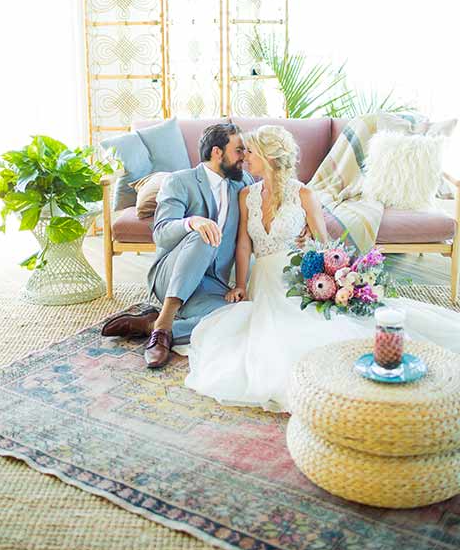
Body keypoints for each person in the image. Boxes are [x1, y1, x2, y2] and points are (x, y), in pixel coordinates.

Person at [184, 125, 460, 412]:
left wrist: (333, 279)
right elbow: (244, 244)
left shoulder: (304, 195)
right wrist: (240, 285)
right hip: (262, 281)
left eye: (250, 152)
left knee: (315, 331)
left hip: (295, 279)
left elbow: (326, 246)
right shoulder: (246, 195)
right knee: (254, 339)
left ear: (268, 156)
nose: (244, 158)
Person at [101, 122, 310, 368]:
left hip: (212, 285)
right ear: (216, 152)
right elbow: (161, 234)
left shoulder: (241, 184)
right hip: (171, 275)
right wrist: (192, 222)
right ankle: (166, 320)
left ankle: (151, 325)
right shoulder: (179, 182)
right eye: (238, 150)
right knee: (205, 233)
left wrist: (304, 224)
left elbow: (285, 195)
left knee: (243, 317)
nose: (244, 157)